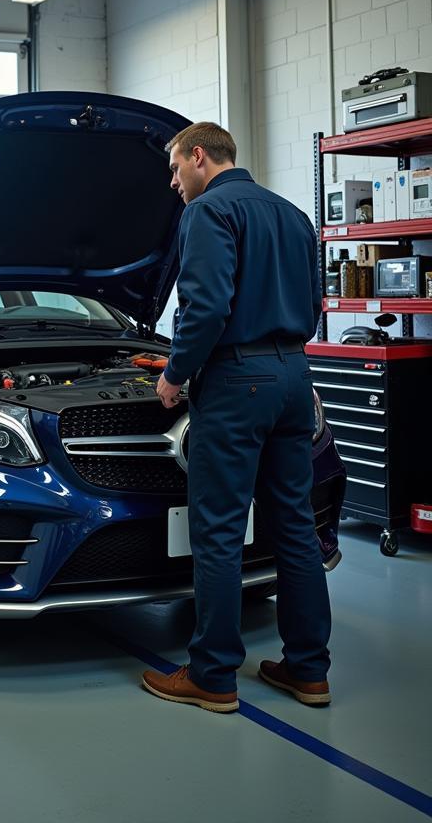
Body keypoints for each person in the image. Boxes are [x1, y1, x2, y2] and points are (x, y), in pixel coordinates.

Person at [142, 122, 332, 713]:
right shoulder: (293, 214)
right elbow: (317, 303)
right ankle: (308, 671)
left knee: (219, 530)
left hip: (235, 382)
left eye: (175, 169)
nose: (174, 183)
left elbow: (206, 309)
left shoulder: (206, 213)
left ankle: (212, 676)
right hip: (295, 377)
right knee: (295, 527)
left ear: (200, 157)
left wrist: (174, 376)